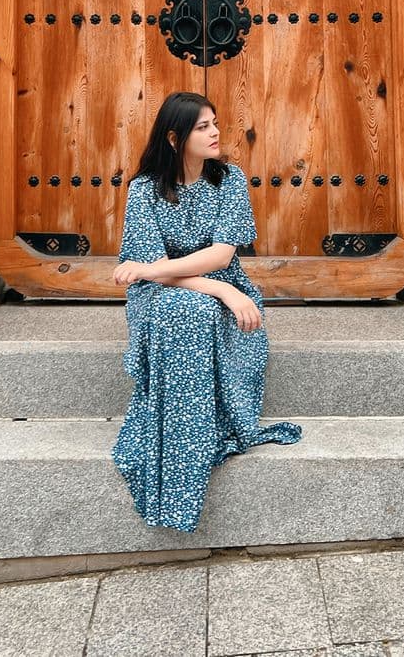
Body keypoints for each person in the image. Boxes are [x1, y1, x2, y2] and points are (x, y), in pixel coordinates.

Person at [111, 91, 302, 532]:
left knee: (194, 309)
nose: (216, 133)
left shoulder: (229, 180)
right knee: (184, 310)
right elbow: (152, 275)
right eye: (203, 127)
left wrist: (222, 288)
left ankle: (190, 440)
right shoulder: (143, 191)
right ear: (175, 138)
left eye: (215, 123)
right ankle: (187, 443)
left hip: (220, 287)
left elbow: (219, 255)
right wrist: (215, 288)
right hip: (161, 296)